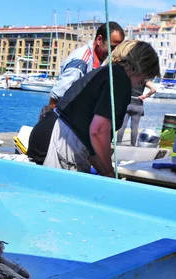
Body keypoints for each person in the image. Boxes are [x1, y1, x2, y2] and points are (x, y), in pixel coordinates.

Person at [29, 40, 160, 177]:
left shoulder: (105, 72)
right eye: (145, 77)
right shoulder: (120, 80)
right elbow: (98, 131)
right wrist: (109, 172)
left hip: (49, 133)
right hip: (59, 141)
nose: (142, 83)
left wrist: (104, 170)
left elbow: (90, 141)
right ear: (142, 67)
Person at [30, 22, 125, 164]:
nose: (114, 52)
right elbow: (57, 96)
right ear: (99, 40)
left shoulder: (98, 60)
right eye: (112, 47)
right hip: (61, 130)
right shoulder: (82, 61)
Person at [116, 80, 157, 146]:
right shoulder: (143, 79)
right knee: (135, 126)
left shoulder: (130, 78)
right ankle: (133, 144)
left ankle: (118, 143)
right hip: (138, 104)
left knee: (122, 125)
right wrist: (145, 96)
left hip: (127, 103)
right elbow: (154, 89)